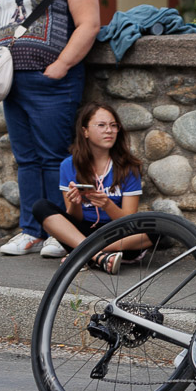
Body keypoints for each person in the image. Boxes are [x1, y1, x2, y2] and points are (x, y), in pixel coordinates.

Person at [0, 0, 101, 257]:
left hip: (52, 81)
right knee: (26, 159)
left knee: (56, 157)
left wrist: (62, 64)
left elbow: (89, 25)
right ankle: (31, 230)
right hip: (15, 80)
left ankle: (60, 232)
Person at [31, 102, 145, 274]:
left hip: (116, 235)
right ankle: (99, 256)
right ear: (85, 131)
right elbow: (73, 218)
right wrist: (75, 202)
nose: (109, 130)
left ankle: (84, 254)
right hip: (81, 231)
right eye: (101, 125)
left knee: (158, 229)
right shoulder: (69, 165)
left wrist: (107, 204)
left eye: (114, 125)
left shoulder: (129, 167)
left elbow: (129, 222)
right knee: (40, 207)